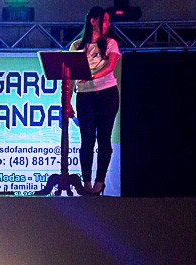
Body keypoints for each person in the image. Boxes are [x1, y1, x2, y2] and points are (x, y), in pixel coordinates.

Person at [69, 6, 121, 196]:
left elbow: (110, 67)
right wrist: (66, 101)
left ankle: (100, 182)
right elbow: (70, 77)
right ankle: (87, 183)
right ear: (93, 21)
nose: (107, 24)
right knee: (87, 139)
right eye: (104, 20)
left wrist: (89, 76)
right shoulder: (76, 46)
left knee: (104, 138)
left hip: (107, 94)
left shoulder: (110, 43)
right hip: (85, 96)